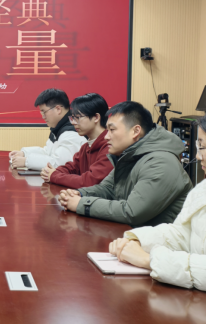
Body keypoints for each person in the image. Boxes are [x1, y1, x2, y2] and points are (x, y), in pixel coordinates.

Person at [108, 115, 206, 290]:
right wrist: (138, 241)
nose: (198, 156)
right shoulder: (202, 189)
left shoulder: (162, 162)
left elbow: (132, 211)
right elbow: (182, 233)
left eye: (203, 147)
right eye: (198, 146)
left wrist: (149, 260)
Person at [59, 101, 192, 227]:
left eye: (112, 130)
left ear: (135, 131)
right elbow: (107, 189)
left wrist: (81, 204)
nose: (106, 137)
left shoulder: (161, 163)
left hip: (159, 242)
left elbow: (132, 212)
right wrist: (78, 194)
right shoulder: (130, 156)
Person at [41, 93, 113, 188]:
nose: (73, 123)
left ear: (96, 117)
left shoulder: (110, 147)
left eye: (78, 118)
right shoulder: (85, 147)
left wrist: (54, 175)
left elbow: (89, 181)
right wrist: (50, 172)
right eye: (72, 118)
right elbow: (71, 168)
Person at [9, 89, 86, 170]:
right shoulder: (58, 127)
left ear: (58, 109)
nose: (43, 116)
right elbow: (48, 152)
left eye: (44, 112)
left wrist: (26, 161)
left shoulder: (72, 132)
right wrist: (24, 153)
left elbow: (59, 164)